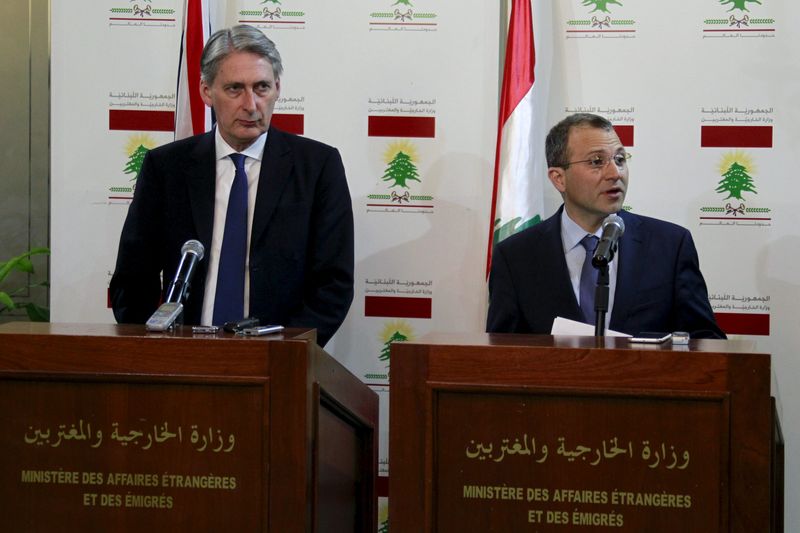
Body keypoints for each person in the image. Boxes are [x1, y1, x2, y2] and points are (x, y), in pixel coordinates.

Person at [110, 25, 354, 346]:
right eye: (235, 89)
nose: (251, 104)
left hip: (278, 362)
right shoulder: (166, 168)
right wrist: (157, 351)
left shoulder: (318, 167)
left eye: (262, 87)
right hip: (184, 359)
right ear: (206, 92)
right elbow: (132, 281)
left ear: (278, 88)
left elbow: (333, 286)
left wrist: (285, 352)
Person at [486, 113, 725, 339]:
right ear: (559, 178)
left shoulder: (670, 246)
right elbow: (501, 354)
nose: (615, 173)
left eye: (620, 160)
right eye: (597, 161)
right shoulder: (515, 256)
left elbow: (705, 341)